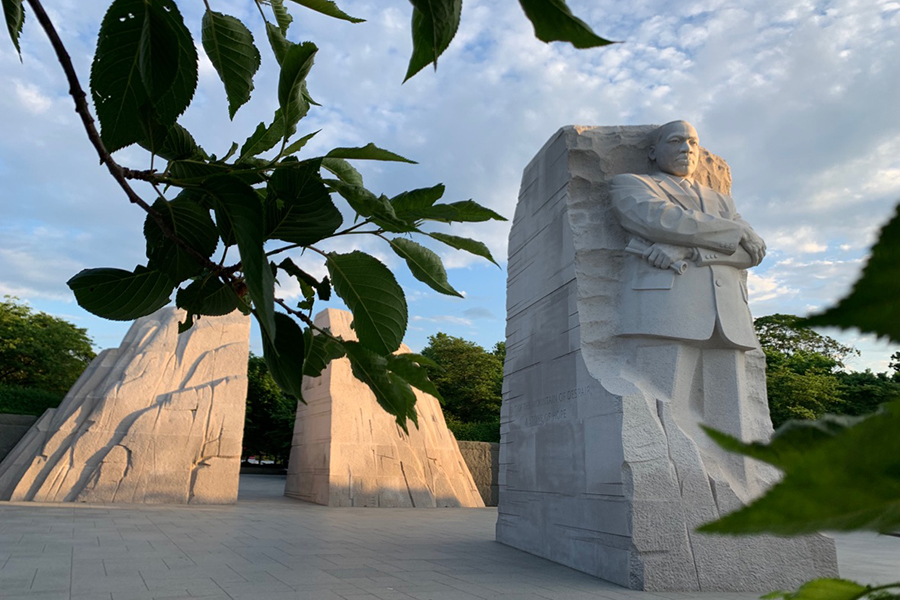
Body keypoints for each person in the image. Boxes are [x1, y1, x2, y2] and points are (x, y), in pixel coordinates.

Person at [609, 120, 773, 500]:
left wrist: (687, 249)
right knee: (665, 409)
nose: (686, 148)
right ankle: (677, 495)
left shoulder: (721, 201)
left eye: (693, 142)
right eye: (676, 141)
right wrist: (731, 234)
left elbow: (753, 251)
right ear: (653, 150)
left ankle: (739, 496)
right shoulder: (633, 184)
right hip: (665, 310)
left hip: (727, 317)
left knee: (732, 422)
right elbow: (655, 219)